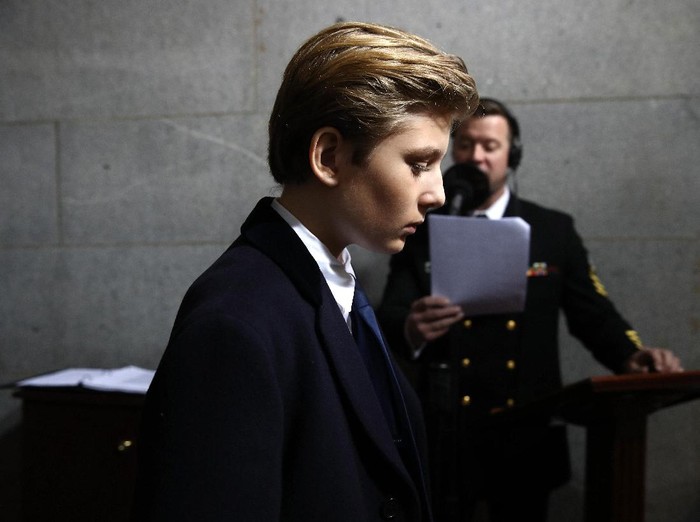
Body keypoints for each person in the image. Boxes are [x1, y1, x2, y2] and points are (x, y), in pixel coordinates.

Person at [130, 21, 478, 522]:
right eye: (418, 164)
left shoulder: (333, 285)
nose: (438, 194)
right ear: (329, 156)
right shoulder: (235, 323)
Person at [377, 97, 683, 522]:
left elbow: (593, 312)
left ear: (512, 155)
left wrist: (631, 355)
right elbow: (389, 314)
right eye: (465, 145)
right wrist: (412, 327)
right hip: (449, 433)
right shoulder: (420, 227)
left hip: (526, 433)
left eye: (490, 146)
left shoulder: (552, 230)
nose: (476, 156)